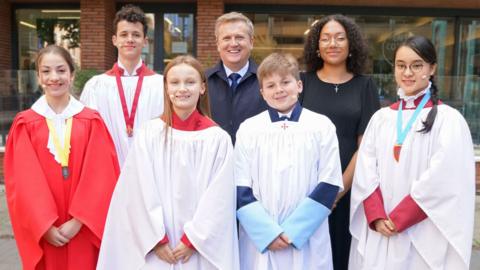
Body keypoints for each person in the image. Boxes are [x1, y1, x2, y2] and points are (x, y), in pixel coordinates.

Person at [97, 55, 239, 270]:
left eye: (190, 82)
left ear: (202, 88)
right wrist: (156, 239)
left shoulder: (217, 139)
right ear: (166, 88)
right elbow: (137, 189)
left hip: (198, 249)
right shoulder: (149, 133)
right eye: (174, 82)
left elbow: (219, 198)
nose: (182, 89)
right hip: (156, 247)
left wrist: (193, 240)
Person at [349, 36, 475, 270]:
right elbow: (366, 171)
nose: (407, 72)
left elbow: (443, 179)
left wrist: (400, 218)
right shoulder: (381, 118)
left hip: (423, 229)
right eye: (400, 65)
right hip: (381, 229)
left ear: (432, 68)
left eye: (416, 65)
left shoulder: (448, 120)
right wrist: (376, 216)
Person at [4, 45, 120, 270]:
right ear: (38, 77)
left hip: (83, 226)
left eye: (60, 70)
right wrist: (44, 225)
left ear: (72, 74)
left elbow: (102, 175)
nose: (54, 77)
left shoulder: (91, 121)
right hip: (46, 226)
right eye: (46, 71)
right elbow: (23, 181)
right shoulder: (25, 124)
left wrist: (79, 220)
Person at [235, 53, 343, 270]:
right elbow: (239, 185)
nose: (279, 90)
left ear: (299, 85)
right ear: (262, 93)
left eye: (286, 82)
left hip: (307, 237)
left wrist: (294, 231)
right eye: (271, 85)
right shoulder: (249, 128)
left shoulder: (321, 126)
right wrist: (267, 233)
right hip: (261, 240)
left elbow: (330, 182)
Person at [300, 14, 380, 270]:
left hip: (348, 188)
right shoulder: (303, 82)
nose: (332, 43)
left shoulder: (365, 85)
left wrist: (337, 190)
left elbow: (366, 146)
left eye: (339, 38)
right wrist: (320, 192)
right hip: (305, 186)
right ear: (317, 46)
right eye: (325, 38)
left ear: (350, 45)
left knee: (343, 256)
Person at [80, 4, 164, 166]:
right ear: (114, 40)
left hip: (149, 171)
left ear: (145, 41)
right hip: (108, 170)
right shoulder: (96, 86)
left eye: (136, 35)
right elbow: (86, 135)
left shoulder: (160, 85)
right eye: (124, 34)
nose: (130, 39)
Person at [206, 12, 267, 144]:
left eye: (239, 37)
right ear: (217, 44)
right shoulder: (202, 82)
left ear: (251, 42)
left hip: (255, 160)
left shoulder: (268, 81)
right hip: (212, 160)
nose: (233, 43)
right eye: (226, 38)